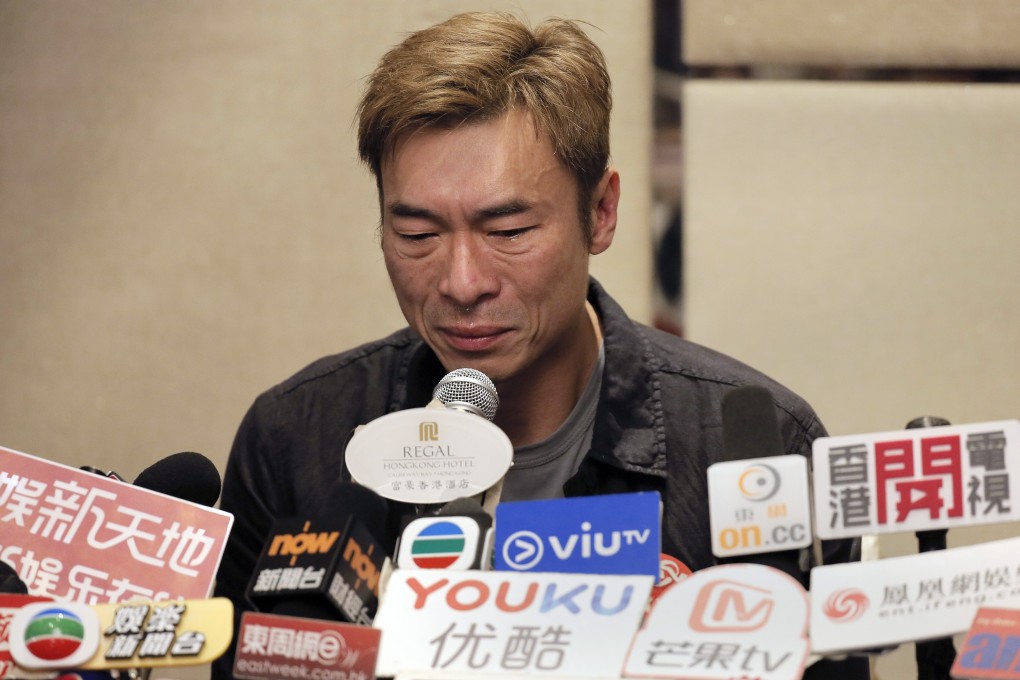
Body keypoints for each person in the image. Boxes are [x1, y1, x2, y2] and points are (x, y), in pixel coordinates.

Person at [213, 11, 867, 679]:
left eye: (509, 229)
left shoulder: (753, 449)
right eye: (417, 235)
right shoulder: (297, 440)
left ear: (601, 212)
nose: (461, 282)